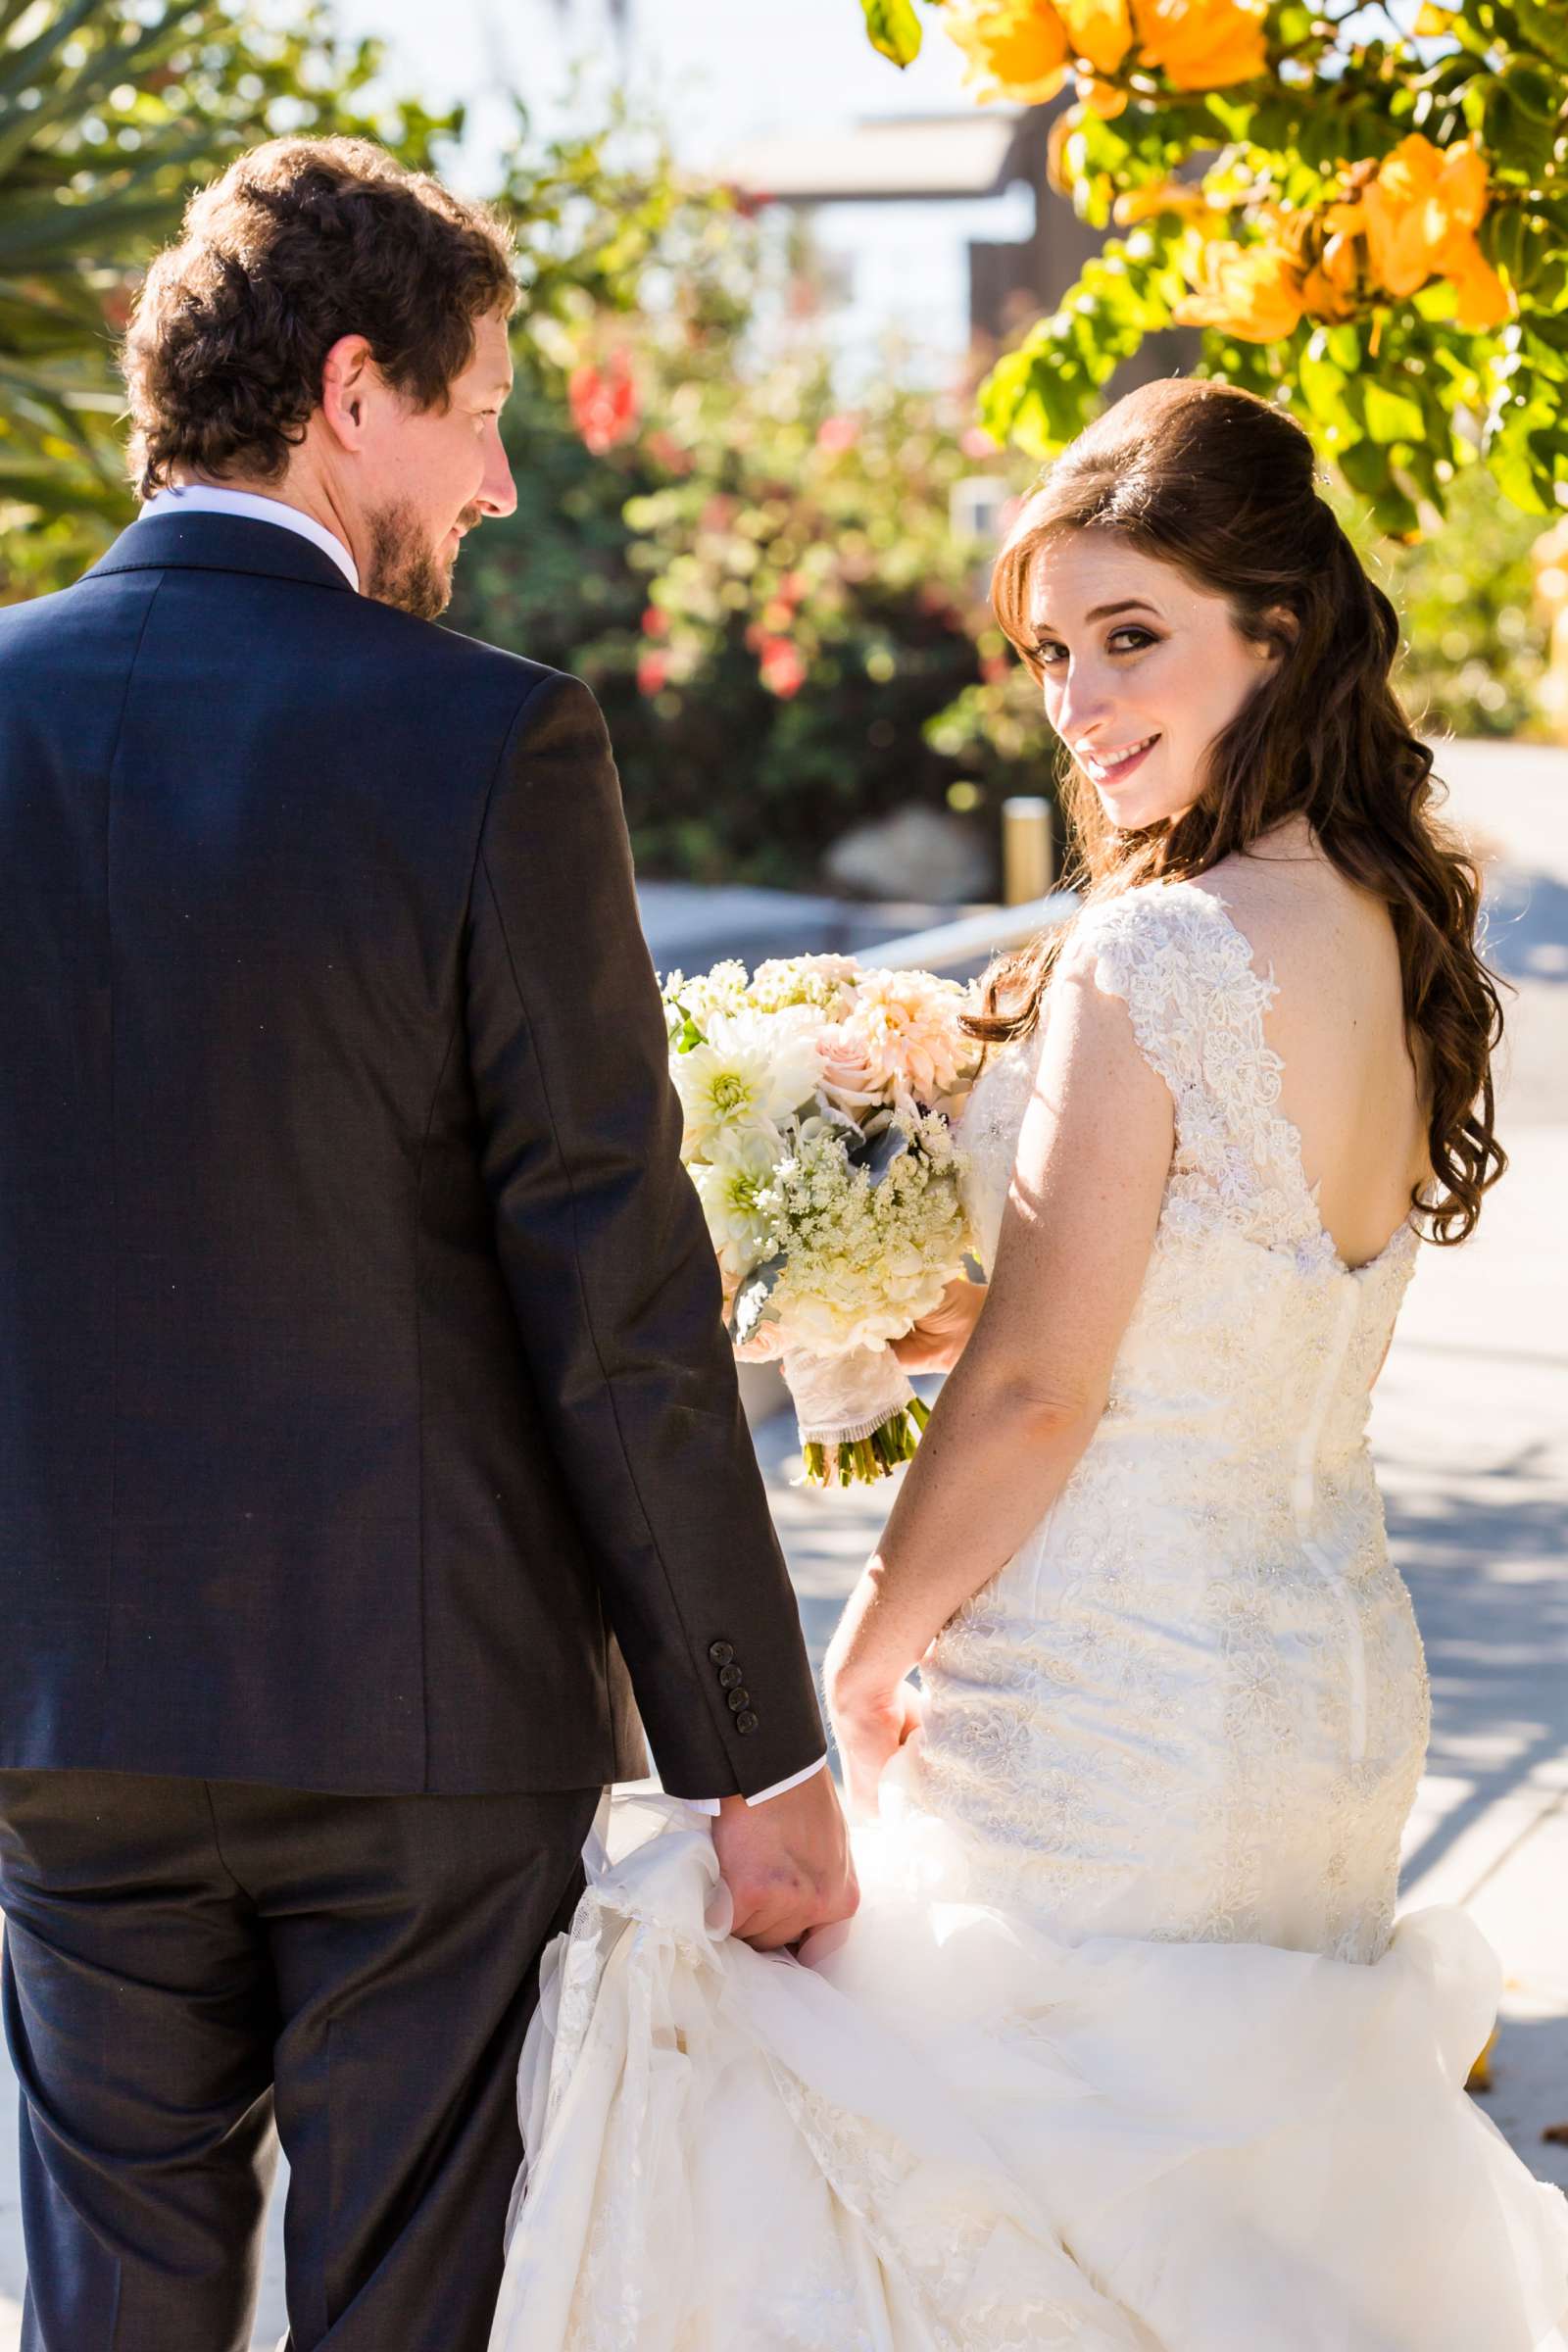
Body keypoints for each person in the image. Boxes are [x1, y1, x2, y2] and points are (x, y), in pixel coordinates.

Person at [492, 377, 1568, 2351]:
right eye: (1051, 651)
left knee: (958, 2194)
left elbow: (1031, 1398)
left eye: (1130, 637)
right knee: (1229, 2234)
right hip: (1324, 1702)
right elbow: (1183, 1311)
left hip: (1103, 1714)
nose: (1075, 698)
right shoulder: (1399, 936)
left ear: (1282, 629)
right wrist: (912, 1290)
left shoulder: (1149, 958)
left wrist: (869, 1647)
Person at [0, 135, 854, 2352]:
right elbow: (615, 1284)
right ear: (351, 389)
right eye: (476, 408)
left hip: (58, 1703)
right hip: (420, 1719)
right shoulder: (486, 738)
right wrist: (752, 1758)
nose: (490, 477)